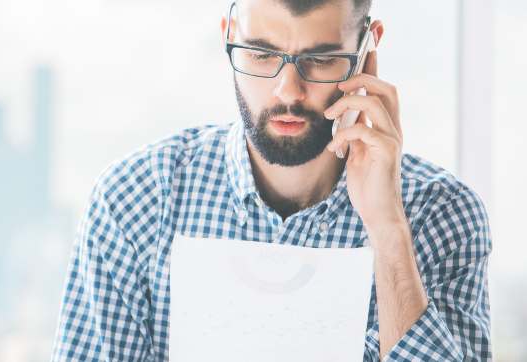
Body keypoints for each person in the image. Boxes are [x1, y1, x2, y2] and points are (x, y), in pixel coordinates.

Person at [50, 0, 492, 361]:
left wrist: (389, 230)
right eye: (261, 54)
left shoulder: (441, 213)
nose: (287, 91)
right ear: (228, 36)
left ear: (367, 50)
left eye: (321, 59)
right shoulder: (136, 200)